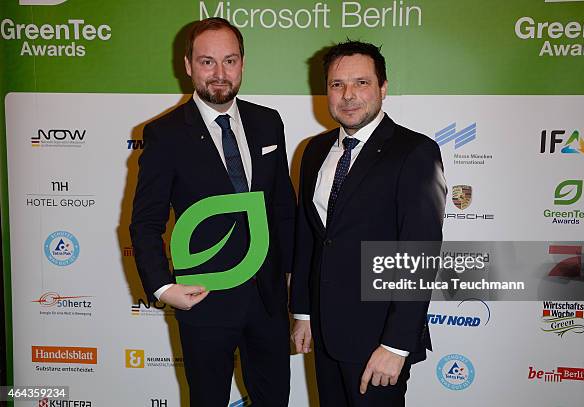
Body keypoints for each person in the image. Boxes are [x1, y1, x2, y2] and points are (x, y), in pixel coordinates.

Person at [130, 18, 295, 407]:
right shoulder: (164, 134)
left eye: (230, 61)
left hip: (268, 299)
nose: (220, 74)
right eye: (207, 62)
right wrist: (163, 288)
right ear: (188, 65)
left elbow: (282, 205)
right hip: (204, 299)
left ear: (242, 63)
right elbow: (145, 221)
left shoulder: (268, 122)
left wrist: (290, 276)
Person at [290, 40, 446, 406]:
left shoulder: (415, 152)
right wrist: (303, 312)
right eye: (337, 84)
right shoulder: (314, 151)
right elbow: (309, 239)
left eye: (361, 83)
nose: (348, 95)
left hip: (379, 340)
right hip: (325, 335)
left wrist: (396, 344)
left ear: (383, 88)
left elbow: (419, 255)